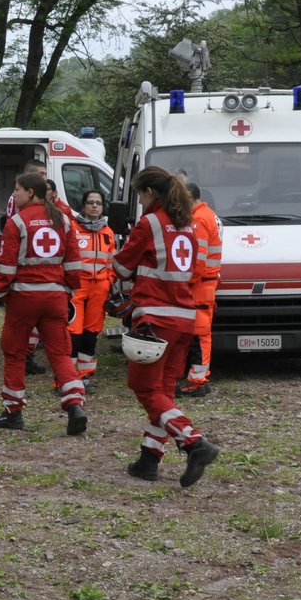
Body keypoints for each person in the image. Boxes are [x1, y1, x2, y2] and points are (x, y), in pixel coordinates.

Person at [111, 165, 220, 486]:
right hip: (185, 317)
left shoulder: (150, 223)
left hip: (156, 318)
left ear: (150, 193)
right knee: (162, 392)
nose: (140, 202)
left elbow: (120, 266)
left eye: (140, 195)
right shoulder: (187, 226)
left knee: (143, 387)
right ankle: (148, 459)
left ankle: (193, 442)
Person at [0, 172, 87, 436]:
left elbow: (7, 267)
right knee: (59, 353)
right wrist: (67, 289)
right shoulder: (64, 220)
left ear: (31, 192)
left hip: (24, 298)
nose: (15, 194)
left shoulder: (17, 222)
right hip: (55, 297)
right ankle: (75, 403)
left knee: (14, 352)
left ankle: (13, 412)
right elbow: (74, 264)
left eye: (18, 190)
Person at [68, 189, 117, 387]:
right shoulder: (72, 228)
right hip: (78, 287)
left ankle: (85, 374)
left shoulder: (108, 232)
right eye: (91, 202)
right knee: (74, 332)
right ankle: (68, 377)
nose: (95, 206)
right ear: (83, 206)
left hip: (100, 288)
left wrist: (109, 281)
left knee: (92, 332)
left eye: (98, 203)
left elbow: (111, 261)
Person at [178, 182, 222, 398]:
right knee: (199, 334)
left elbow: (198, 259)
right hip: (205, 282)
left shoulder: (199, 219)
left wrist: (185, 282)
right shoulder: (207, 214)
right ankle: (196, 378)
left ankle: (197, 381)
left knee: (199, 334)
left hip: (200, 284)